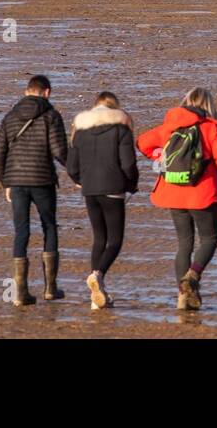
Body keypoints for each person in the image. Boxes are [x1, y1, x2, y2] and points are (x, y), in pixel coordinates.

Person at [136, 88, 217, 311]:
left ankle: (184, 296)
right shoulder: (211, 128)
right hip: (203, 193)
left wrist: (160, 156)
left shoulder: (169, 126)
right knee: (209, 240)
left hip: (173, 190)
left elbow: (142, 143)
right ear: (208, 105)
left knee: (184, 244)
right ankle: (193, 276)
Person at [0, 74, 69, 307]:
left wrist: (5, 182)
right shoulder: (51, 115)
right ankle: (50, 288)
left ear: (27, 91)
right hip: (43, 180)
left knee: (21, 231)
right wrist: (78, 174)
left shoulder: (10, 116)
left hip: (16, 181)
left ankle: (21, 293)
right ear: (46, 92)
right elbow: (59, 151)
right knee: (49, 226)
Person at [66, 91, 139, 311]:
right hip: (113, 188)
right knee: (115, 241)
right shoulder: (121, 129)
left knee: (99, 238)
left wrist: (80, 181)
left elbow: (71, 167)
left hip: (89, 190)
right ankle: (98, 275)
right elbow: (128, 164)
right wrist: (131, 184)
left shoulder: (80, 132)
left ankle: (96, 297)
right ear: (114, 108)